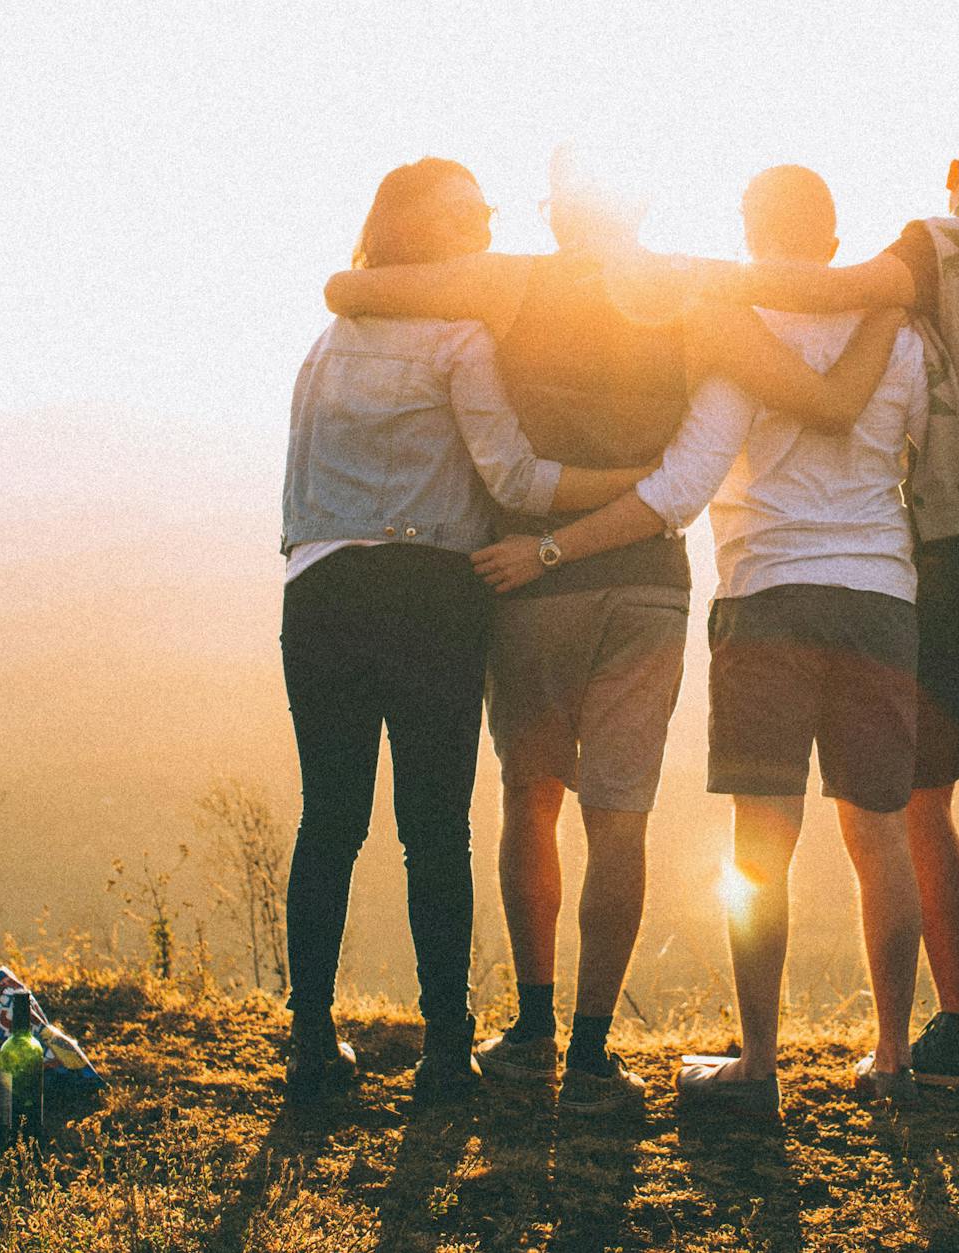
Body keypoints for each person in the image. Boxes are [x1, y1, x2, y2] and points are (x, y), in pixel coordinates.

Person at [477, 165, 959, 1111]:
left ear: (750, 233)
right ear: (833, 242)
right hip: (881, 607)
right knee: (880, 841)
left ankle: (758, 1067)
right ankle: (895, 1057)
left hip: (768, 602)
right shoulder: (902, 339)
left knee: (761, 847)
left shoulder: (739, 336)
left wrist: (551, 548)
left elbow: (679, 489)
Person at [320, 149, 891, 1112]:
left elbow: (352, 289)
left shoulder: (509, 285)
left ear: (554, 215)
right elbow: (819, 397)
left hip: (529, 579)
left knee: (529, 798)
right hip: (646, 586)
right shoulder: (697, 297)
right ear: (642, 203)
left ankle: (531, 1026)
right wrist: (888, 298)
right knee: (619, 817)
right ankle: (591, 1054)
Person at [704, 116, 959, 1092]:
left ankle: (954, 1020)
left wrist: (693, 281)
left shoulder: (938, 244)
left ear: (953, 175)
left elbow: (838, 292)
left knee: (913, 799)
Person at [276, 157, 653, 1102]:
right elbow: (517, 482)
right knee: (433, 827)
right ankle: (447, 1050)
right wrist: (639, 486)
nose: (487, 222)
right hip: (429, 594)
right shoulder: (458, 337)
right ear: (427, 232)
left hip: (319, 589)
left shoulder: (327, 342)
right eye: (469, 212)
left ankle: (311, 1043)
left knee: (330, 818)